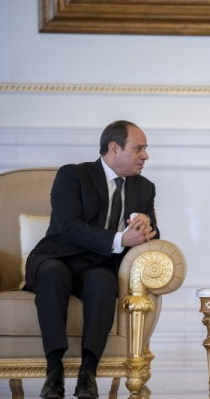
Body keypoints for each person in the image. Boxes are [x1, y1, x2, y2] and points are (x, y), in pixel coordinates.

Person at [24, 120, 159, 399]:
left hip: (97, 266)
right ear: (113, 148)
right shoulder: (73, 176)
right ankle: (54, 371)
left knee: (103, 281)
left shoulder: (144, 188)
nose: (145, 155)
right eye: (138, 148)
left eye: (144, 149)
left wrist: (146, 225)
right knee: (52, 274)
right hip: (57, 256)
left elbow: (152, 237)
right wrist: (121, 240)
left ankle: (88, 372)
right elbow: (69, 226)